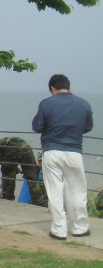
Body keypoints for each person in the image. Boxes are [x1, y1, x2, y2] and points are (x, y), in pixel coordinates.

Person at [32, 74, 93, 240]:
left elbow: (37, 127)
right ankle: (80, 227)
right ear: (69, 87)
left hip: (52, 151)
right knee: (77, 191)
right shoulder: (84, 104)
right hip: (74, 151)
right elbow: (88, 126)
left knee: (55, 192)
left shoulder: (46, 103)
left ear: (52, 88)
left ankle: (59, 229)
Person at [0, 136, 48, 207]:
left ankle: (7, 199)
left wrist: (13, 170)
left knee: (8, 175)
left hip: (12, 147)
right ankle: (39, 201)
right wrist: (20, 170)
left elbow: (7, 166)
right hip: (26, 147)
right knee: (32, 176)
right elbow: (10, 163)